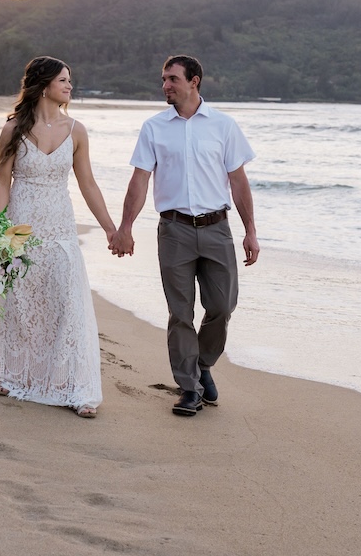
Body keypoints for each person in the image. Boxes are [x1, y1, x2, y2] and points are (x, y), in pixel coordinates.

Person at [0, 56, 116, 418]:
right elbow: (2, 180)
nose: (70, 86)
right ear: (44, 85)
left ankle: (70, 384)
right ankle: (9, 372)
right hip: (20, 222)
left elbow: (87, 184)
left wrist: (110, 227)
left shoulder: (77, 131)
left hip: (60, 224)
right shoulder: (13, 129)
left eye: (70, 80)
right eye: (64, 80)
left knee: (64, 299)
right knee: (19, 301)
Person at [110, 55, 259, 416]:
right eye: (164, 80)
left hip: (217, 229)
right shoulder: (154, 127)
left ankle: (202, 363)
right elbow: (139, 180)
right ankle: (189, 388)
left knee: (222, 307)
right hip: (174, 229)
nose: (166, 86)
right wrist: (125, 227)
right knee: (180, 314)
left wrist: (250, 231)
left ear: (194, 81)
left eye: (173, 79)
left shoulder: (224, 126)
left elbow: (238, 182)